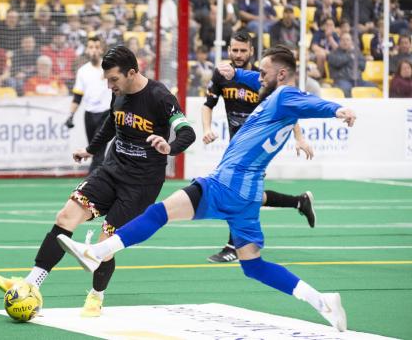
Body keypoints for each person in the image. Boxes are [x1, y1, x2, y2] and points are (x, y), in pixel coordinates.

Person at [58, 45, 356, 332]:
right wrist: (233, 73)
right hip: (249, 193)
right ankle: (322, 301)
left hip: (228, 182)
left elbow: (310, 103)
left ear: (280, 75)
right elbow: (250, 77)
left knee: (160, 212)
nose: (257, 76)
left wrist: (337, 109)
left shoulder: (285, 96)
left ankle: (98, 251)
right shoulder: (271, 92)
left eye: (263, 72)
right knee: (252, 265)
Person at [0, 45, 196, 318]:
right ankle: (30, 283)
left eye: (114, 80)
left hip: (141, 184)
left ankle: (96, 296)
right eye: (107, 80)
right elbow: (111, 124)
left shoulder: (160, 97)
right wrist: (90, 149)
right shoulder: (118, 94)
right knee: (65, 217)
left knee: (105, 243)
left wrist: (169, 147)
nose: (110, 86)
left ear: (132, 73)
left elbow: (187, 132)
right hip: (112, 169)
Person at [203, 31, 316, 263]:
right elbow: (208, 105)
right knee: (249, 194)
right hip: (237, 145)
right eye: (234, 50)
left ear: (251, 51)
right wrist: (206, 128)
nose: (238, 54)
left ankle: (234, 246)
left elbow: (287, 106)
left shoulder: (263, 76)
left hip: (258, 147)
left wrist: (299, 137)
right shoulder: (223, 74)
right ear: (228, 50)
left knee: (236, 191)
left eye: (243, 50)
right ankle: (298, 201)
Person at [64, 37, 111, 173]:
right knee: (93, 150)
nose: (94, 50)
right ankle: (101, 182)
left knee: (98, 150)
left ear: (102, 50)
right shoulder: (83, 71)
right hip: (89, 115)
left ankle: (89, 185)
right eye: (91, 47)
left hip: (106, 114)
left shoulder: (109, 68)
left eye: (97, 47)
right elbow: (77, 97)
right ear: (86, 50)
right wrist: (70, 115)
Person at [327, 32, 377, 98]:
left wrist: (352, 58)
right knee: (346, 89)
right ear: (339, 41)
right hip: (342, 80)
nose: (345, 42)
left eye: (347, 40)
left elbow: (363, 66)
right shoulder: (333, 54)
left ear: (351, 42)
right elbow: (338, 62)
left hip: (358, 80)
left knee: (373, 87)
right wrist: (350, 57)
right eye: (343, 40)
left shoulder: (356, 53)